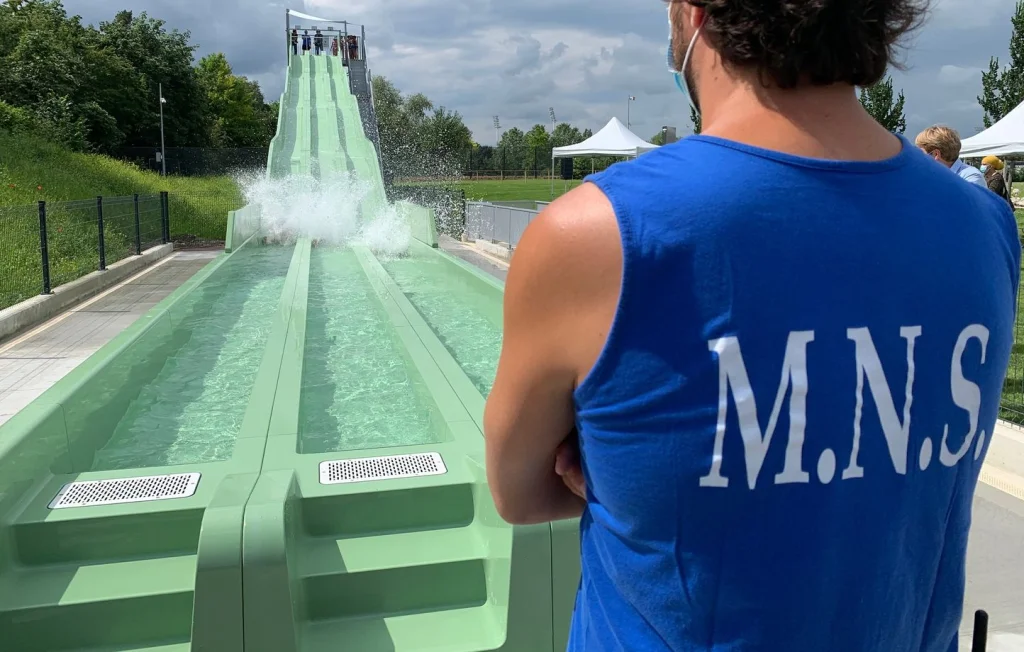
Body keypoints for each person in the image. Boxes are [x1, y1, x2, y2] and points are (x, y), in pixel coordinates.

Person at [483, 1, 1020, 651]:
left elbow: (518, 493)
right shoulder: (982, 226)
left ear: (693, 13)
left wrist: (627, 478)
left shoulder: (596, 236)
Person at [915, 125, 986, 187]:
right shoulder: (931, 177)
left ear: (936, 154)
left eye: (921, 153)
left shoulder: (971, 176)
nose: (918, 158)